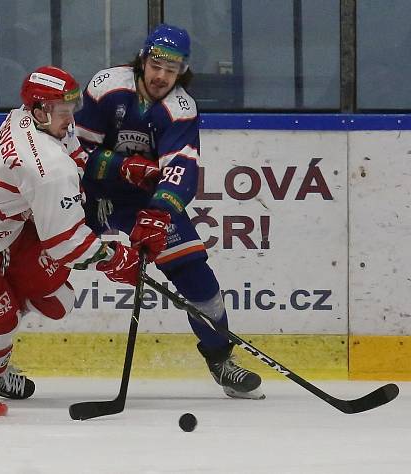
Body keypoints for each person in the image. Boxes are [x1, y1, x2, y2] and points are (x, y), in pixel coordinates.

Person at [0, 66, 147, 400]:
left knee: (59, 301)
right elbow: (66, 244)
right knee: (2, 320)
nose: (71, 117)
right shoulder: (45, 165)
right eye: (64, 110)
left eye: (72, 107)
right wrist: (115, 259)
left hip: (9, 223)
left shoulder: (30, 118)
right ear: (40, 110)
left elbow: (74, 156)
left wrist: (114, 174)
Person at [74, 24, 264, 399]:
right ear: (143, 59)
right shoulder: (106, 87)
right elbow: (73, 153)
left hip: (143, 203)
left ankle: (220, 360)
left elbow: (181, 169)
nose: (162, 76)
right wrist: (119, 167)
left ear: (182, 72)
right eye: (157, 65)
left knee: (197, 279)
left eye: (172, 69)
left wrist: (159, 213)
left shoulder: (181, 109)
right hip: (84, 197)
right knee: (38, 266)